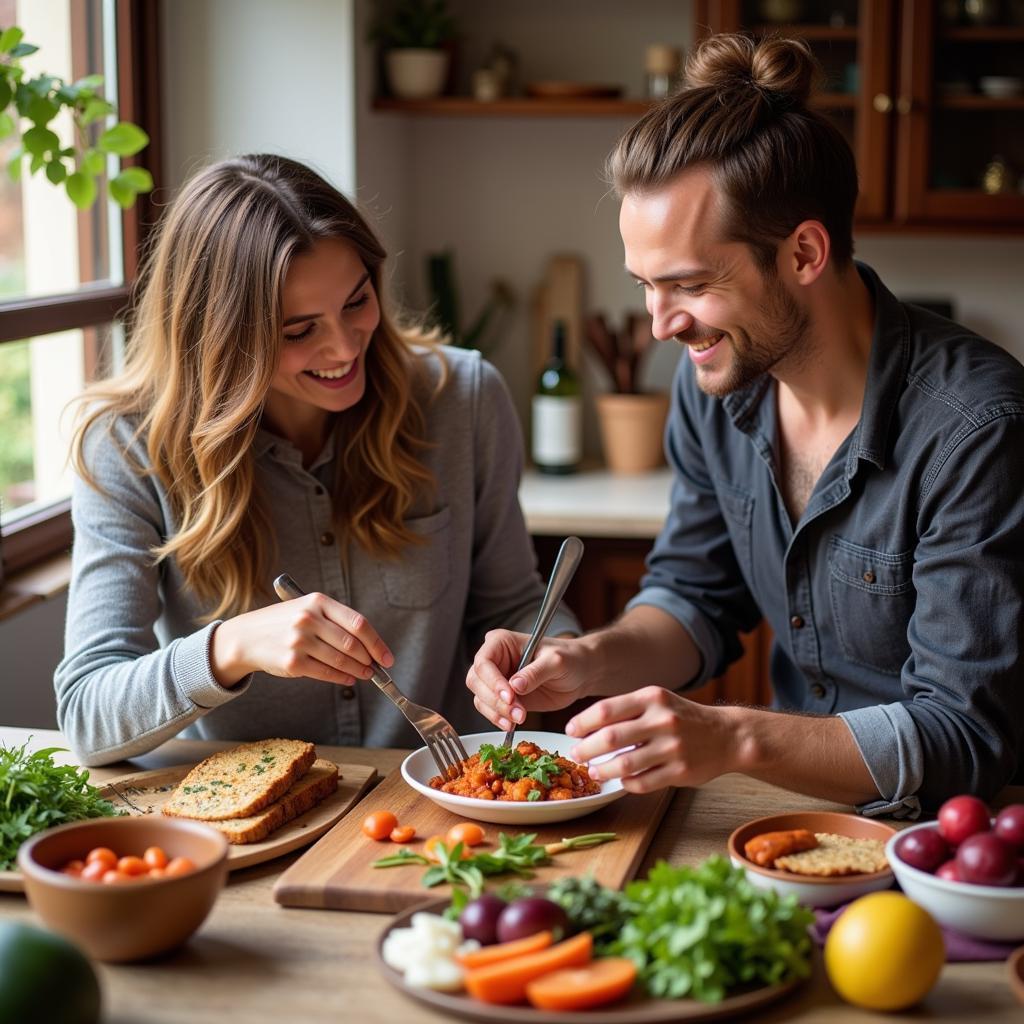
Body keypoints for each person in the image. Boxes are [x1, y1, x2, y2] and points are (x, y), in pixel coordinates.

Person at [467, 34, 1024, 817]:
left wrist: (732, 740)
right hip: (793, 820)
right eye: (646, 287)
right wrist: (586, 658)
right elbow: (694, 596)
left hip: (955, 850)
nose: (660, 325)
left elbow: (964, 738)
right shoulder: (717, 383)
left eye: (689, 284)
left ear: (803, 253)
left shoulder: (976, 430)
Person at [56, 153, 577, 766]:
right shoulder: (125, 444)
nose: (343, 346)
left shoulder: (463, 398)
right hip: (248, 827)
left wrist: (552, 650)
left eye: (356, 302)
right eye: (299, 331)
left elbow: (512, 604)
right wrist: (230, 647)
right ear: (222, 340)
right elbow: (86, 716)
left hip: (439, 801)